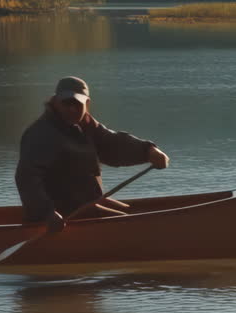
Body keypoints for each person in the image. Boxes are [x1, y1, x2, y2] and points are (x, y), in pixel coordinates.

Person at [15, 76, 169, 231]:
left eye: (77, 104)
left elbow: (113, 144)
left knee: (132, 213)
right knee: (129, 224)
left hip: (85, 205)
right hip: (62, 216)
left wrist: (148, 151)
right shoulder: (40, 134)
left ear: (87, 104)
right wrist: (47, 213)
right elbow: (27, 179)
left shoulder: (86, 126)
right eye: (66, 103)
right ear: (55, 102)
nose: (72, 109)